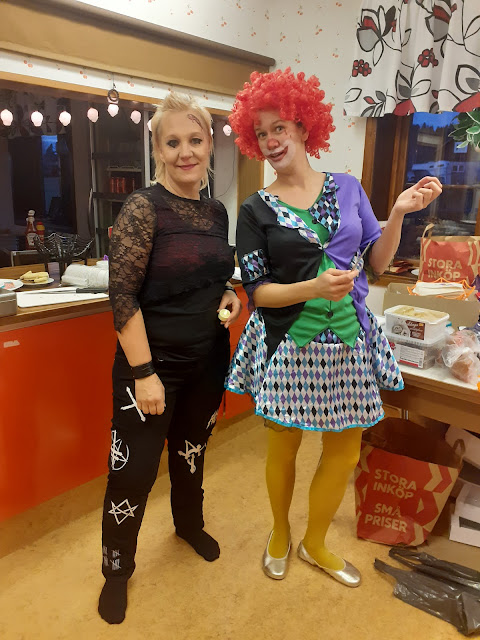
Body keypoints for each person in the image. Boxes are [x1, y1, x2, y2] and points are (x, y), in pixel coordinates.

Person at [226, 68, 442, 586]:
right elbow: (257, 293)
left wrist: (397, 214)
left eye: (280, 127)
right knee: (284, 447)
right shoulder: (254, 209)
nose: (271, 140)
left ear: (304, 127)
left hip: (348, 341)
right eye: (261, 133)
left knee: (344, 453)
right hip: (288, 343)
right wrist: (312, 288)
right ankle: (280, 533)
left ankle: (316, 543)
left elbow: (377, 265)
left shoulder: (348, 188)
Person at [99, 92, 242, 624]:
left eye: (196, 140)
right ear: (158, 150)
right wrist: (144, 374)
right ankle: (117, 570)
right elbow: (122, 296)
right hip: (151, 368)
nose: (186, 152)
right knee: (132, 472)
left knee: (190, 454)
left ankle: (188, 525)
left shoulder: (215, 210)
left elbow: (208, 274)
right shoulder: (143, 207)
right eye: (173, 142)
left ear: (210, 146)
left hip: (207, 361)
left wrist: (227, 293)